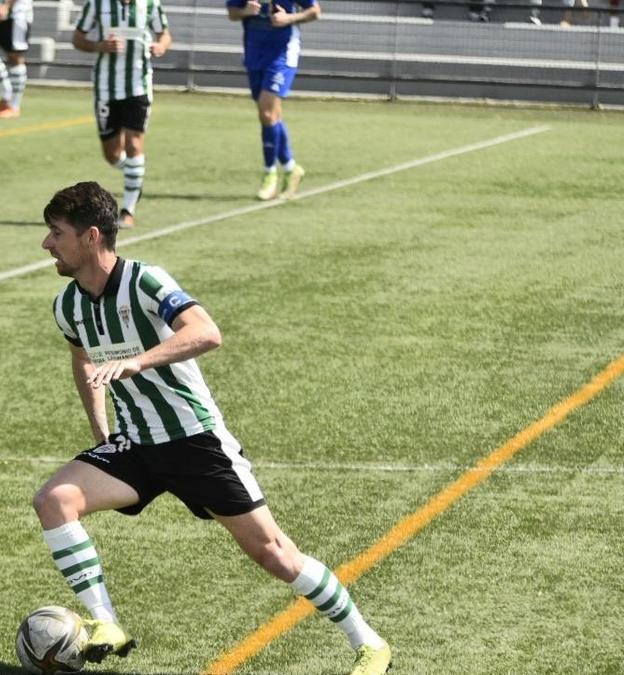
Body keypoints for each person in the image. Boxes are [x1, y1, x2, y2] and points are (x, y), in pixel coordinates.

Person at [33, 181, 393, 674]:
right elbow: (83, 361)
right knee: (54, 500)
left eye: (56, 233)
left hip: (195, 442)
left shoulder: (145, 281)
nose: (47, 244)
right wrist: (101, 430)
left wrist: (138, 363)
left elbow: (206, 331)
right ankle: (105, 622)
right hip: (137, 446)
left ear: (91, 236)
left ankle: (369, 643)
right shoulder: (67, 305)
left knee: (275, 555)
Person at [72, 0, 173, 229]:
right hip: (106, 88)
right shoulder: (96, 4)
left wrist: (161, 46)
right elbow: (77, 38)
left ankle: (128, 211)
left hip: (139, 86)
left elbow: (165, 34)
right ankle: (135, 177)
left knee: (134, 145)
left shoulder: (149, 4)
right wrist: (100, 46)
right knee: (111, 154)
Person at [226, 0, 319, 201]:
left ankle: (269, 174)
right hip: (254, 52)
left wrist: (289, 18)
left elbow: (315, 11)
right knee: (271, 115)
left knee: (267, 112)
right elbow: (232, 13)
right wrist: (245, 11)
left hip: (282, 52)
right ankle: (291, 168)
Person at [0, 0, 34, 118]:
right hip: (3, 15)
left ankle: (13, 106)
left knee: (15, 57)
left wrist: (6, 6)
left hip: (17, 16)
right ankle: (6, 97)